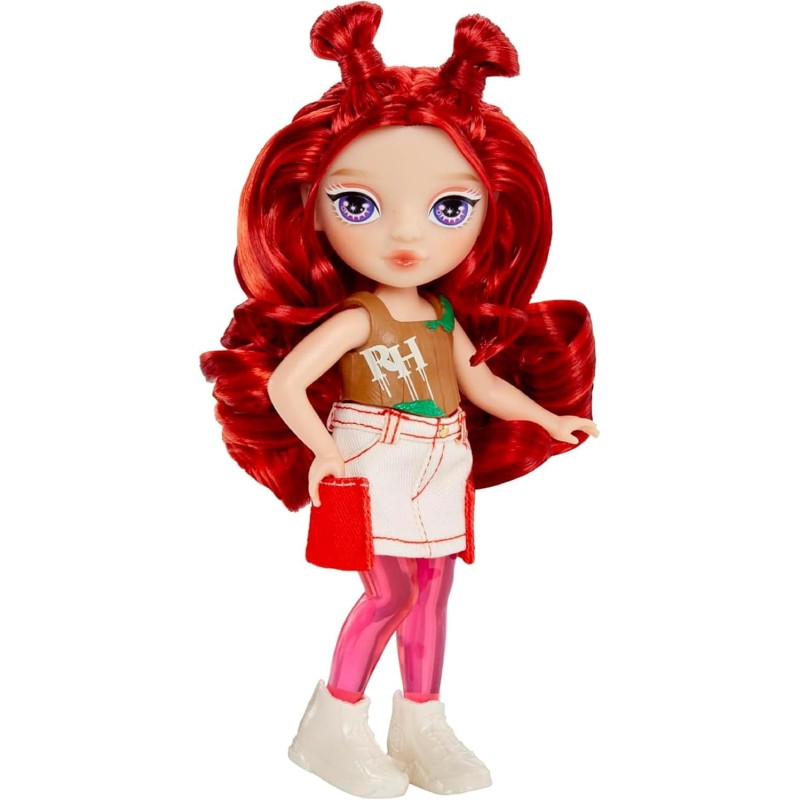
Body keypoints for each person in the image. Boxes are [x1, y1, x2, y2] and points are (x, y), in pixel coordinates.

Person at [201, 3, 597, 796]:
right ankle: (334, 721)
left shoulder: (443, 315)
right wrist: (325, 452)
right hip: (371, 453)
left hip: (441, 454)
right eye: (360, 205)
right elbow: (285, 382)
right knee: (389, 592)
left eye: (450, 208)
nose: (407, 238)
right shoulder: (357, 317)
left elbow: (479, 383)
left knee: (436, 591)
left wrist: (546, 417)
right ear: (311, 210)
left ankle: (421, 723)